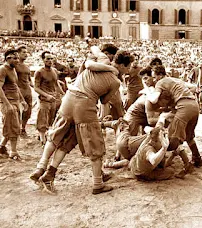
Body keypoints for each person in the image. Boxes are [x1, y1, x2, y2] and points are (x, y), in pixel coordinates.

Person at [30, 50, 134, 195]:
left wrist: (106, 68)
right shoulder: (115, 81)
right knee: (95, 144)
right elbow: (104, 100)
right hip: (84, 103)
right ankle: (98, 183)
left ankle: (45, 170)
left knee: (64, 137)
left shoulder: (101, 60)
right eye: (128, 67)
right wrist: (111, 73)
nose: (128, 71)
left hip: (69, 98)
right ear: (123, 65)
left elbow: (89, 60)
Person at [146, 76, 202, 167]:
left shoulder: (160, 83)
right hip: (194, 105)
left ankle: (162, 161)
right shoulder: (176, 81)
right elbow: (193, 87)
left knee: (173, 139)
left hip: (184, 107)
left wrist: (146, 92)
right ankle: (197, 158)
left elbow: (153, 100)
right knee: (189, 136)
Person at [0, 49, 28, 159]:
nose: (17, 60)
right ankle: (13, 152)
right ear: (8, 58)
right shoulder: (3, 69)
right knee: (14, 127)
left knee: (11, 126)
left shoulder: (13, 69)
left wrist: (22, 100)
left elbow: (15, 86)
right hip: (8, 102)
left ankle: (2, 147)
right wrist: (7, 104)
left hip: (15, 101)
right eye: (15, 58)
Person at [34, 51, 65, 146]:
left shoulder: (54, 70)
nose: (50, 61)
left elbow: (56, 84)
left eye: (51, 58)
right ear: (43, 59)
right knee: (42, 118)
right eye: (47, 59)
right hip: (44, 99)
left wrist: (63, 93)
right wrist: (46, 95)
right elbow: (36, 87)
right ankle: (42, 140)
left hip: (54, 98)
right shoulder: (39, 72)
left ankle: (45, 135)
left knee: (52, 118)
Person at [15, 45, 33, 136]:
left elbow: (29, 79)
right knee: (17, 110)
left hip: (27, 90)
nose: (26, 54)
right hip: (19, 90)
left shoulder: (26, 66)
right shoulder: (15, 65)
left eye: (26, 52)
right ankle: (16, 128)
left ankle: (23, 128)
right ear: (18, 53)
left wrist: (35, 87)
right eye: (23, 52)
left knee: (28, 110)